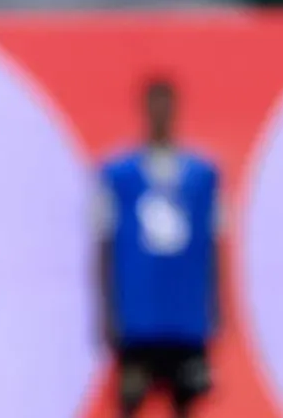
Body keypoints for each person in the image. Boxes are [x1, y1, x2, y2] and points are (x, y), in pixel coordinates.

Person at [94, 78, 222, 418]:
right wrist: (106, 311)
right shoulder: (119, 175)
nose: (161, 113)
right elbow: (104, 246)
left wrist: (216, 307)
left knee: (187, 401)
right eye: (155, 104)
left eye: (166, 104)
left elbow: (214, 246)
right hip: (138, 317)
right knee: (131, 399)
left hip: (185, 316)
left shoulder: (202, 175)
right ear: (145, 109)